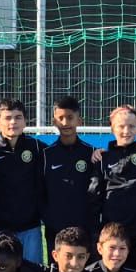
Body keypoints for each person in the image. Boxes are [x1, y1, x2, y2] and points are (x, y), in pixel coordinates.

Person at [0, 98, 44, 264]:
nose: (13, 122)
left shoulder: (37, 148)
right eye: (7, 118)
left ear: (25, 121)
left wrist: (94, 153)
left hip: (30, 227)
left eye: (18, 117)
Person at [96, 105, 136, 266]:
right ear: (112, 128)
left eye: (131, 126)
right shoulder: (103, 157)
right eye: (121, 126)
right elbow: (95, 196)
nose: (126, 131)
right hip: (113, 232)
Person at [42, 96, 100, 250]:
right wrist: (48, 218)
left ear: (79, 121)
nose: (65, 122)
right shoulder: (46, 155)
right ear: (54, 122)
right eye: (60, 118)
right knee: (56, 264)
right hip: (55, 228)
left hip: (85, 228)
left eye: (70, 117)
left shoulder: (92, 153)